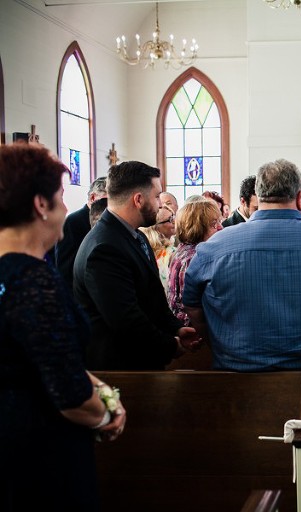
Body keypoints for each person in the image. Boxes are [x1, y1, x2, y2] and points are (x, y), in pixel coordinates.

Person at [182, 159, 301, 416]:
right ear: (300, 197)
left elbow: (192, 305)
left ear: (258, 195)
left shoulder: (214, 247)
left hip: (238, 373)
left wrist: (217, 339)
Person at [0, 144, 126, 510]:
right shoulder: (32, 279)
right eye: (59, 197)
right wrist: (109, 411)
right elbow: (69, 395)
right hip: (37, 446)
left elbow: (39, 355)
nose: (66, 210)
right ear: (40, 204)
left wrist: (97, 384)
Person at [73, 161, 199, 370]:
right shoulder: (104, 248)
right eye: (157, 196)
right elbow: (126, 319)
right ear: (138, 199)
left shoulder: (135, 235)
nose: (160, 204)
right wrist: (169, 345)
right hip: (121, 369)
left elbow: (152, 298)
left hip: (139, 363)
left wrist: (176, 329)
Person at [167, 200, 222, 326]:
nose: (220, 227)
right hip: (193, 331)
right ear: (196, 227)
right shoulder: (195, 257)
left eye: (220, 221)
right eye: (213, 224)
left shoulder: (184, 250)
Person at [54, 176, 107, 289]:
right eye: (106, 200)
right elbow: (65, 268)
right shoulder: (73, 222)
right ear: (93, 197)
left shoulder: (107, 222)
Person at [139, 204, 176, 293]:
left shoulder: (141, 249)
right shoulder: (173, 254)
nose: (175, 221)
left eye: (173, 216)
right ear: (155, 228)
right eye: (170, 219)